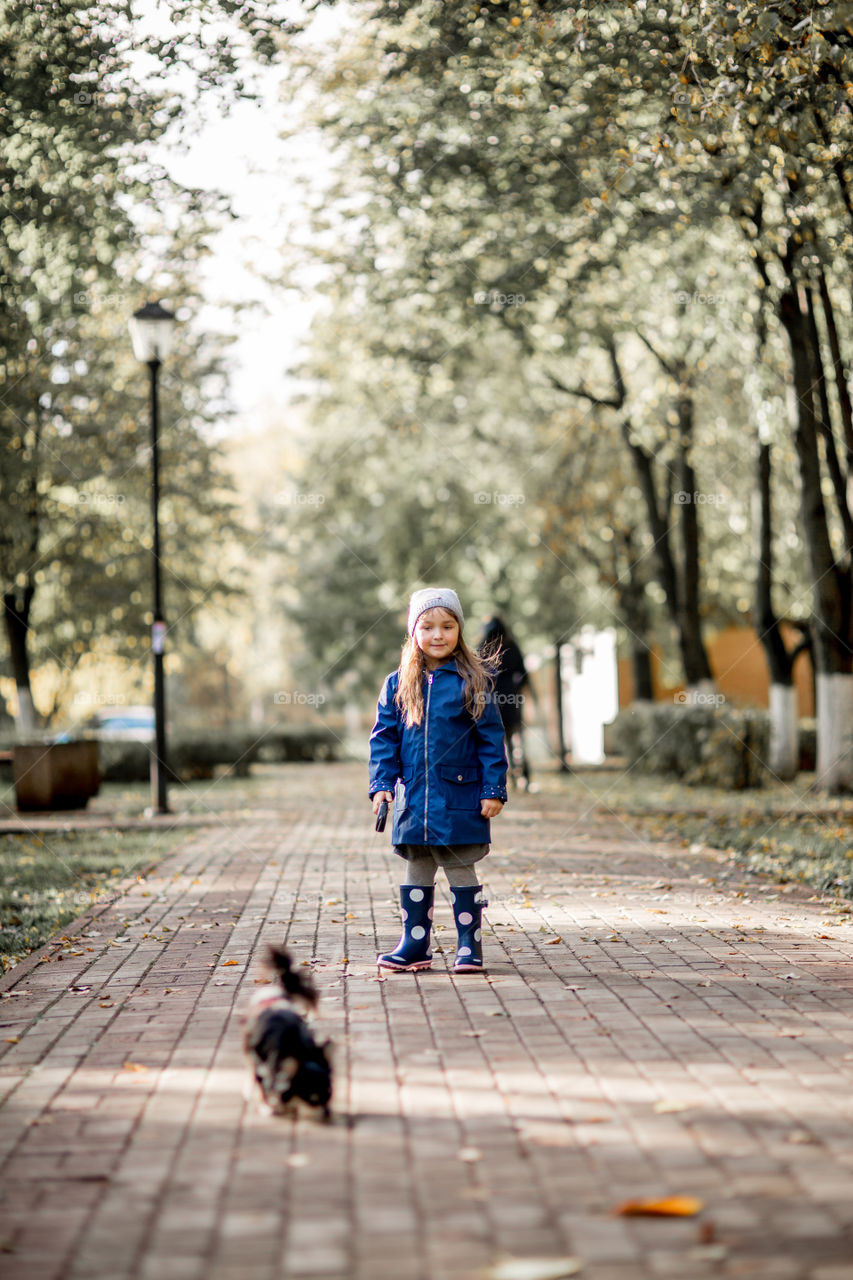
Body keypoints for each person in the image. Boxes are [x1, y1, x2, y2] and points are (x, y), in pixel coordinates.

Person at [369, 587, 508, 974]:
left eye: (447, 626)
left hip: (460, 795)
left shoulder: (473, 680)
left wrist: (493, 789)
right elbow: (384, 739)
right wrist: (381, 783)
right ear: (414, 632)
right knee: (418, 866)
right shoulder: (398, 683)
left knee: (461, 866)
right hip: (413, 795)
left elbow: (491, 739)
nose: (437, 635)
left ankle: (469, 947)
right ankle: (414, 944)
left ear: (459, 630)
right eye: (427, 626)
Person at [479, 615, 533, 790]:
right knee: (515, 741)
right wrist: (517, 688)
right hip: (510, 698)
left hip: (492, 699)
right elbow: (523, 673)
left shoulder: (484, 646)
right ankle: (523, 777)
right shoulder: (511, 645)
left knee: (495, 742)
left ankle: (504, 779)